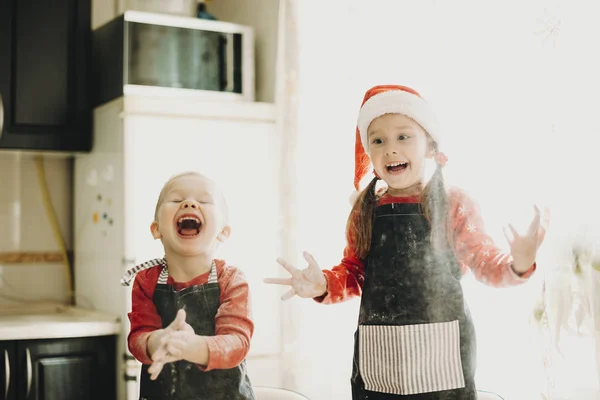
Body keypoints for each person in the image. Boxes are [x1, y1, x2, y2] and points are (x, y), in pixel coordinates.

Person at [264, 85, 548, 399]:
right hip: (379, 360)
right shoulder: (365, 209)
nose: (390, 149)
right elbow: (354, 274)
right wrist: (322, 285)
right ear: (369, 153)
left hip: (443, 360)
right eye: (378, 140)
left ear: (430, 146)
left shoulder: (454, 203)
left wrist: (518, 264)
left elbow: (483, 262)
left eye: (403, 136)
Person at [122, 171, 255, 400]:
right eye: (176, 200)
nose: (189, 203)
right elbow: (138, 338)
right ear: (156, 229)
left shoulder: (231, 280)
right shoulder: (146, 281)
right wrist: (156, 342)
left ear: (223, 232)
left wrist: (191, 347)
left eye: (203, 201)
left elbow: (237, 343)